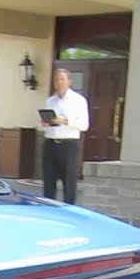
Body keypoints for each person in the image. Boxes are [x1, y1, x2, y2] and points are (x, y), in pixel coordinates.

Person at [40, 68, 89, 204]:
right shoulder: (50, 101)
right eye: (56, 80)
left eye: (62, 79)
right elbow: (43, 124)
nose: (59, 82)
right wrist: (45, 123)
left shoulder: (78, 100)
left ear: (69, 81)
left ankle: (69, 211)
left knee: (69, 182)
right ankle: (48, 209)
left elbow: (84, 125)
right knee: (49, 181)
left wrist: (64, 120)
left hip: (69, 145)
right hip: (50, 143)